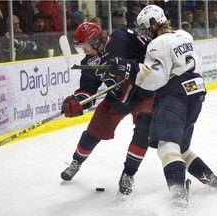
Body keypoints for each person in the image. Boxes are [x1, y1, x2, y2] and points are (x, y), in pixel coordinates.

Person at [106, 5, 217, 207]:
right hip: (196, 93)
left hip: (175, 97)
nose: (144, 33)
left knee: (167, 146)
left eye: (145, 27)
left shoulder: (157, 44)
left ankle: (179, 192)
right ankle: (212, 180)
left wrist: (128, 68)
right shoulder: (184, 35)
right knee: (182, 148)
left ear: (154, 23)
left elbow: (153, 79)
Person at [60, 22, 155, 196]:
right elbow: (87, 92)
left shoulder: (122, 37)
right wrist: (76, 102)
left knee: (144, 128)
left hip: (144, 94)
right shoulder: (89, 62)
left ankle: (128, 174)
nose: (85, 50)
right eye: (81, 47)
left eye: (86, 46)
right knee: (93, 132)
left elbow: (151, 50)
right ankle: (76, 162)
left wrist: (139, 67)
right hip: (117, 99)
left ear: (96, 40)